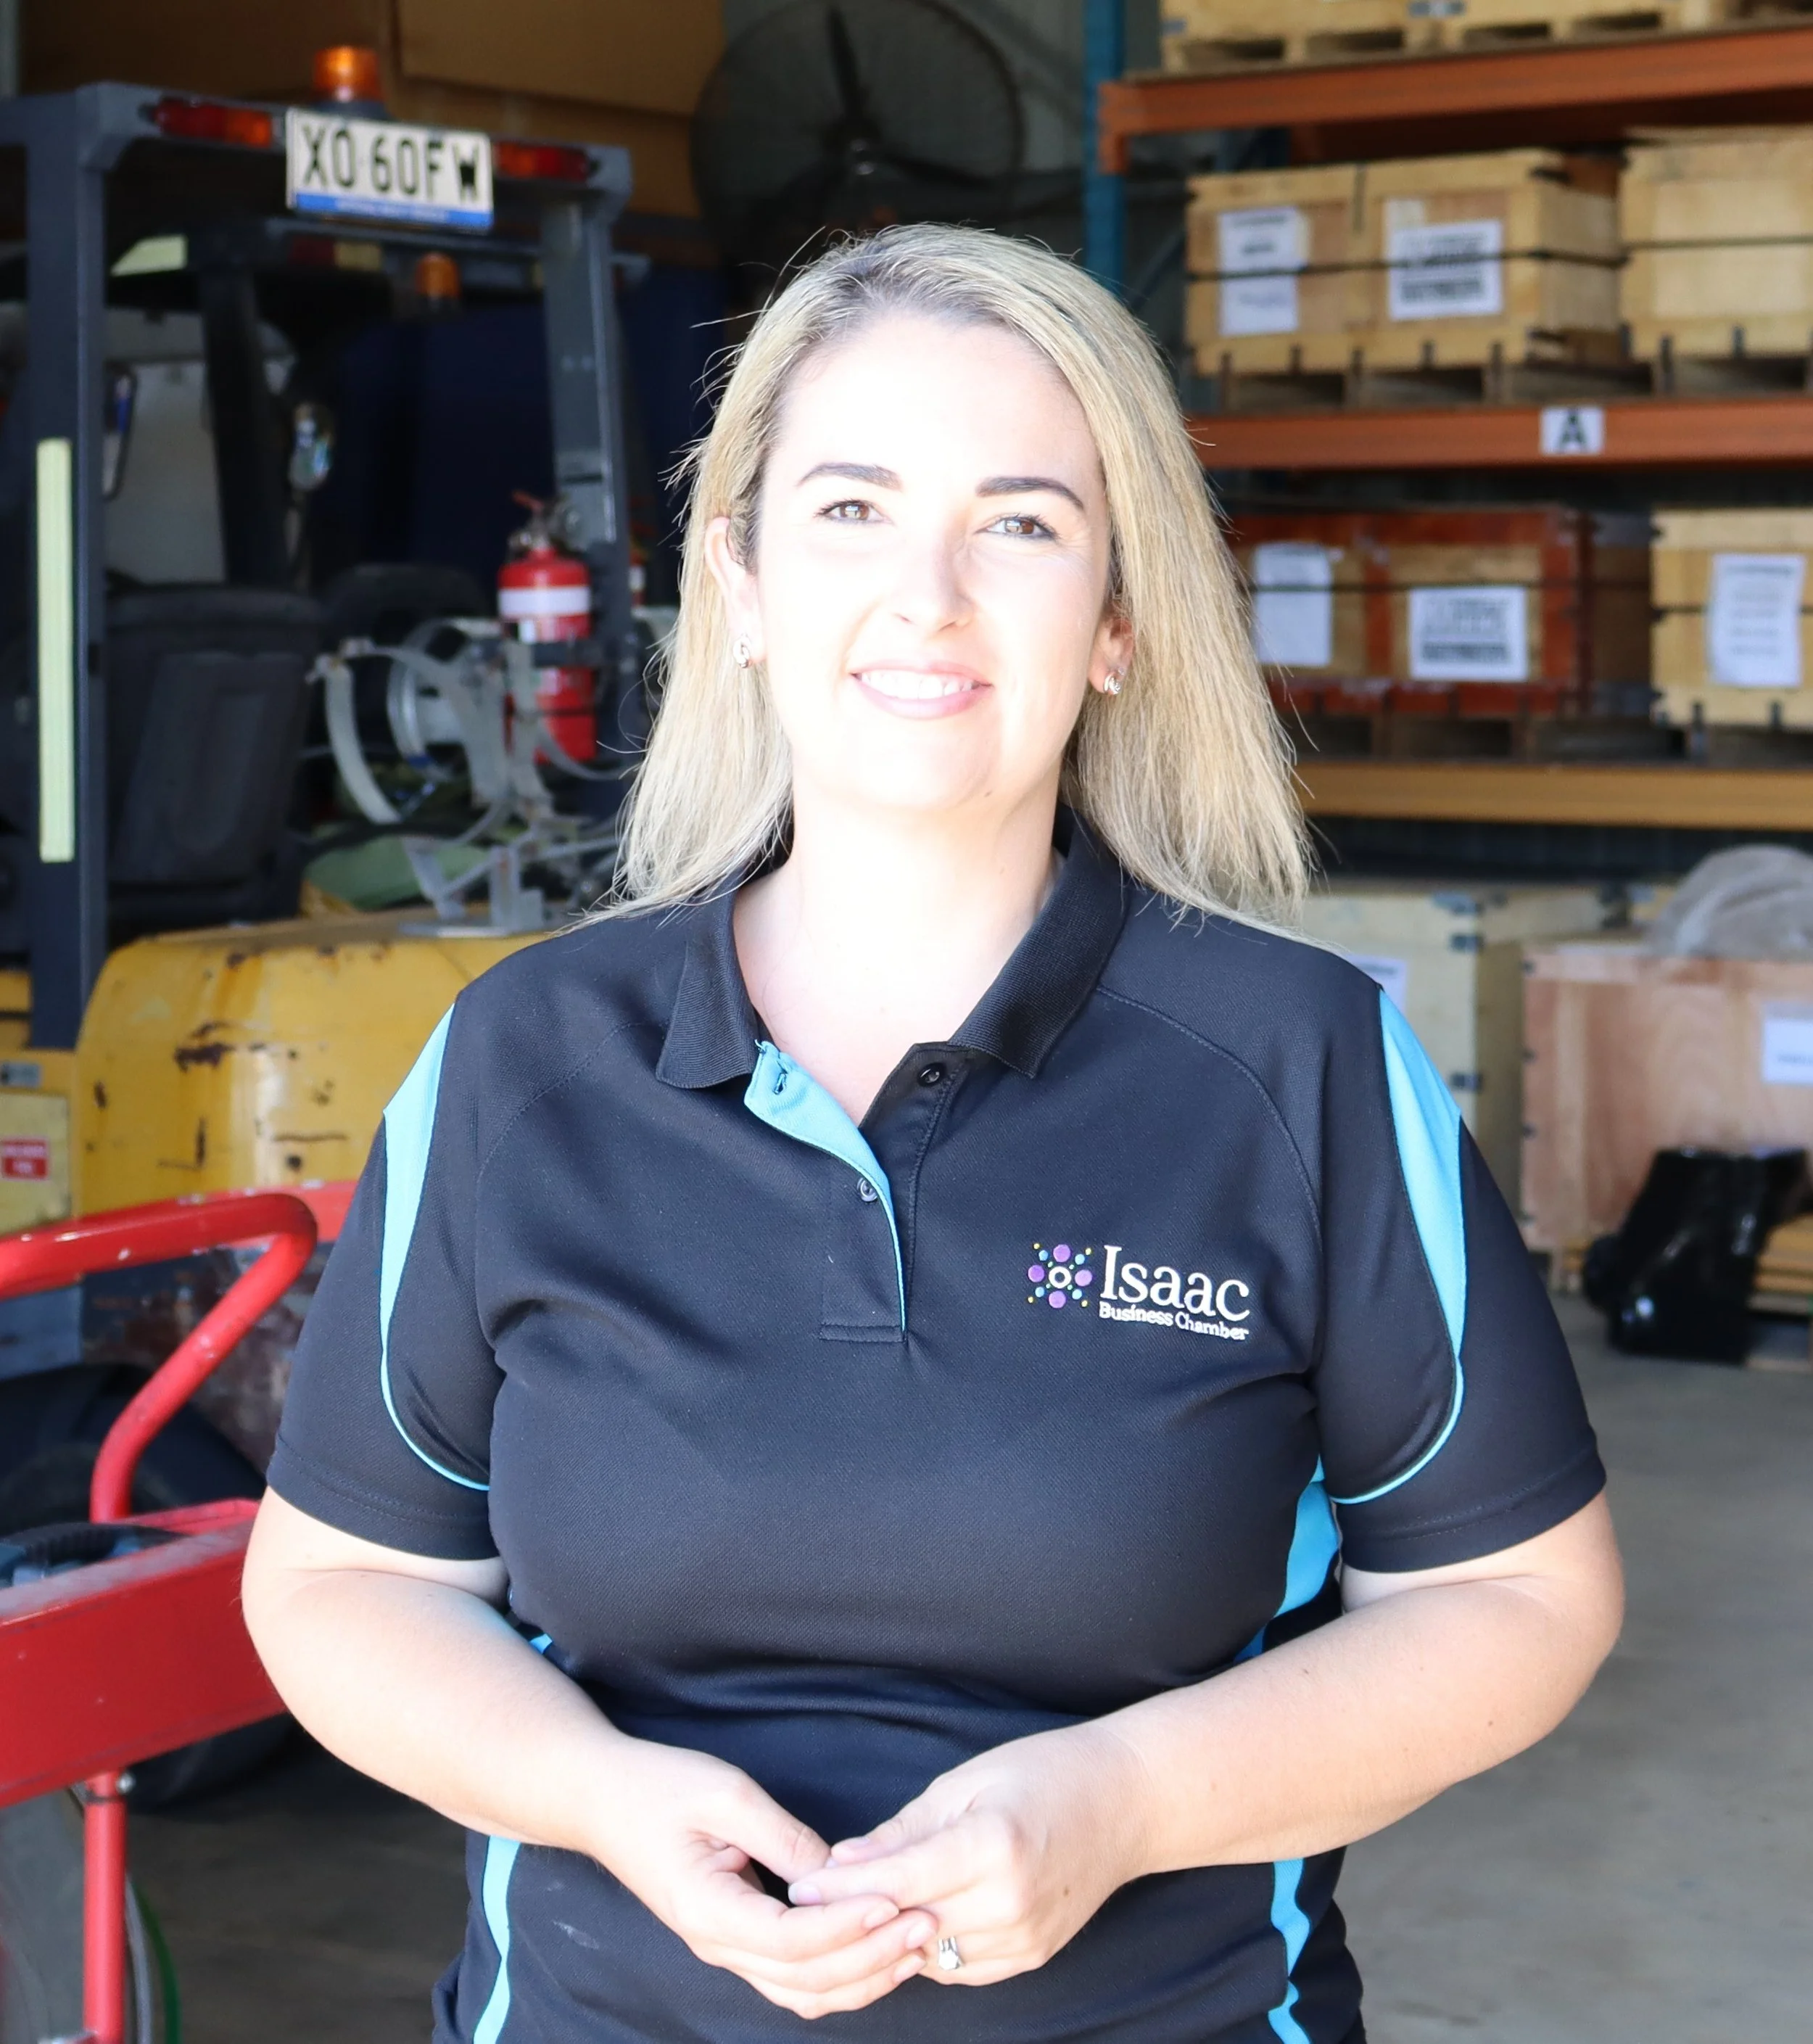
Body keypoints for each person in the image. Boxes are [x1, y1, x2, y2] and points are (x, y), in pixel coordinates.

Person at [242, 223, 1623, 2044]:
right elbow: (344, 1582)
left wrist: (1111, 1807)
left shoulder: (1306, 1068)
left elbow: (1516, 1596)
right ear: (736, 582)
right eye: (849, 510)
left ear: (1119, 620)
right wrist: (604, 1801)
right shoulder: (521, 1062)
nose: (929, 594)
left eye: (1022, 522)